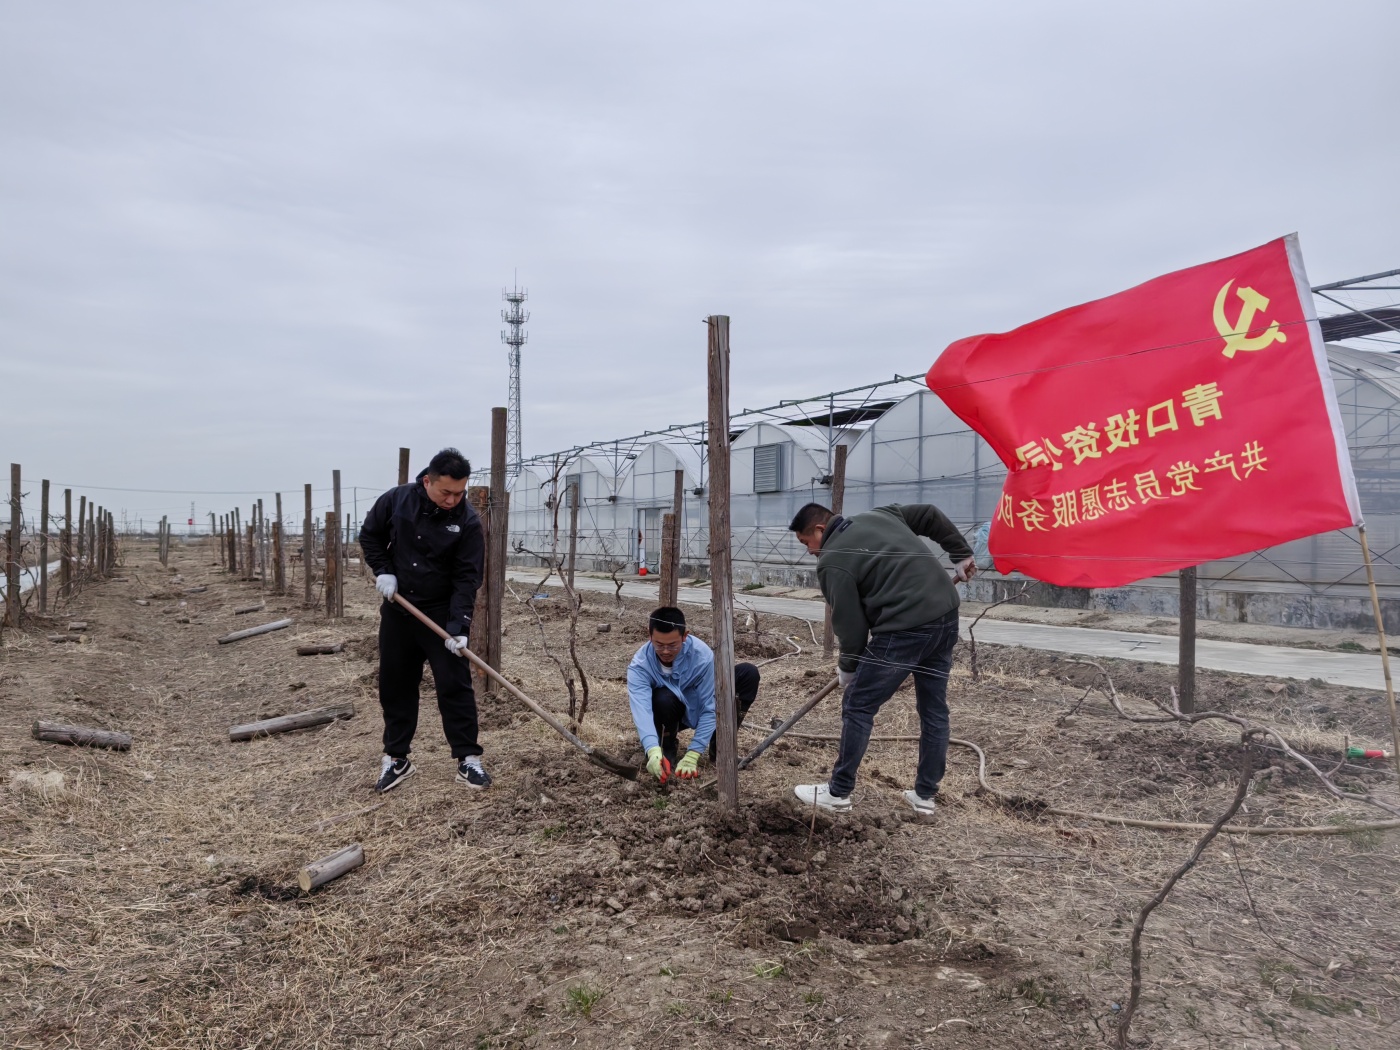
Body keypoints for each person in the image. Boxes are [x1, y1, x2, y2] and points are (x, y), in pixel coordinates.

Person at [788, 503, 975, 815]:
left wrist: (848, 667)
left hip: (905, 629)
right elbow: (928, 514)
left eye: (807, 542)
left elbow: (851, 624)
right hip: (945, 616)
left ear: (820, 530)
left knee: (858, 704)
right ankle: (924, 796)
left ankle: (838, 792)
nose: (809, 551)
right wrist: (960, 553)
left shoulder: (832, 562)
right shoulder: (880, 514)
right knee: (933, 708)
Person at [359, 448, 489, 793]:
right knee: (396, 684)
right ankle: (397, 758)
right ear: (427, 480)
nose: (452, 499)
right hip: (399, 607)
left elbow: (467, 577)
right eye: (445, 491)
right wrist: (384, 571)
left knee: (454, 684)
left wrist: (459, 627)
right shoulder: (397, 501)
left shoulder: (468, 522)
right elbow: (369, 535)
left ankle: (468, 759)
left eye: (459, 492)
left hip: (441, 613)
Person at [627, 606, 761, 782]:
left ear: (685, 636)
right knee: (662, 697)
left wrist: (694, 753)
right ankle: (665, 748)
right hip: (669, 713)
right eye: (659, 645)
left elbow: (711, 705)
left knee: (748, 673)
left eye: (673, 645)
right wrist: (651, 749)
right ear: (649, 635)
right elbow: (642, 711)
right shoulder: (640, 666)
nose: (666, 651)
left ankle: (720, 747)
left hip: (697, 705)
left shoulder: (702, 656)